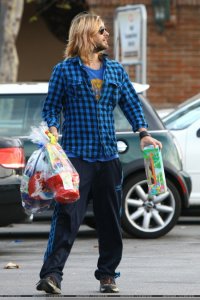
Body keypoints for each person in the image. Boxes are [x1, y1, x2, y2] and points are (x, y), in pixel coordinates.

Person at [36, 12, 162, 295]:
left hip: (108, 157)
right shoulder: (64, 70)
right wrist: (53, 128)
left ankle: (107, 275)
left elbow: (131, 104)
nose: (107, 35)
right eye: (102, 30)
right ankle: (52, 275)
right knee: (67, 217)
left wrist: (144, 134)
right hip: (75, 158)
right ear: (86, 35)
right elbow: (50, 107)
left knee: (110, 221)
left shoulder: (116, 70)